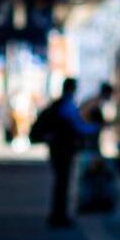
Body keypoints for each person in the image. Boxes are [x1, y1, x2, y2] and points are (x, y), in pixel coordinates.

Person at [32, 78, 87, 228]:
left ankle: (58, 215)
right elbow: (78, 126)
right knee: (63, 183)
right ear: (72, 89)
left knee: (60, 183)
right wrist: (94, 128)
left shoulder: (59, 104)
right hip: (64, 150)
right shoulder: (67, 106)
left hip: (57, 149)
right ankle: (59, 216)